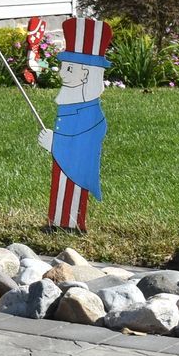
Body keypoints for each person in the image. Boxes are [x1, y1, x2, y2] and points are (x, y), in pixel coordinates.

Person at [38, 17, 111, 232]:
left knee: (71, 192)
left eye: (69, 69)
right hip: (61, 163)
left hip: (74, 170)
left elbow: (83, 148)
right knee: (59, 188)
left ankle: (71, 222)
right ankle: (59, 220)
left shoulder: (91, 114)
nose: (61, 73)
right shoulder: (70, 104)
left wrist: (55, 144)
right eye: (63, 67)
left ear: (87, 74)